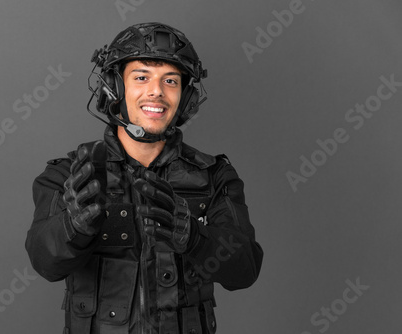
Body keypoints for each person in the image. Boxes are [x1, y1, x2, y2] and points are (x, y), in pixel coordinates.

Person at [25, 22, 263, 334]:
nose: (156, 91)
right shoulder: (69, 176)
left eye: (171, 81)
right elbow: (45, 262)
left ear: (186, 97)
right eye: (141, 77)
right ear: (114, 87)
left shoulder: (215, 177)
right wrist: (74, 227)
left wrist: (195, 238)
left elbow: (244, 271)